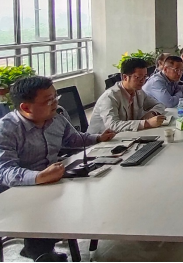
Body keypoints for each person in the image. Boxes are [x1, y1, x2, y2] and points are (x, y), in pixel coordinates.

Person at [0, 76, 116, 261]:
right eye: (49, 100)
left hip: (51, 183)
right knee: (51, 210)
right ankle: (40, 251)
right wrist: (38, 176)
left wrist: (97, 138)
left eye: (56, 97)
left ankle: (40, 248)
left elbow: (73, 139)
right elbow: (5, 171)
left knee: (96, 194)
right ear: (26, 107)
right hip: (15, 192)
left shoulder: (58, 116)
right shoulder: (7, 129)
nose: (55, 103)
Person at [88, 58, 166, 133]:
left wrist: (152, 113)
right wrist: (146, 123)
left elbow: (160, 105)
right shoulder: (110, 97)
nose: (142, 81)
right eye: (138, 77)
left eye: (145, 76)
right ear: (125, 77)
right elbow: (112, 125)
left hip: (126, 135)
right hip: (101, 139)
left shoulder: (139, 92)